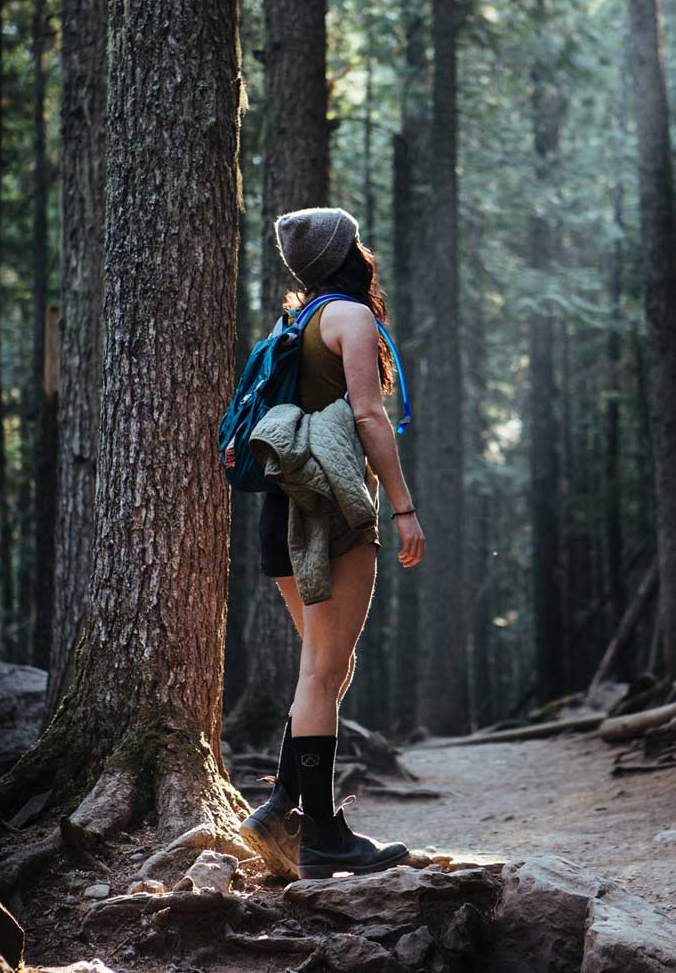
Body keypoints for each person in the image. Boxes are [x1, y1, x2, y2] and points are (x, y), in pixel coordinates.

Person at [239, 207, 425, 880]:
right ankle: (320, 837)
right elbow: (371, 416)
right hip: (330, 514)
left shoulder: (291, 324)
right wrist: (403, 508)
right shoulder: (351, 318)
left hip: (282, 514)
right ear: (351, 253)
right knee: (323, 670)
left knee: (326, 668)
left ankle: (283, 810)